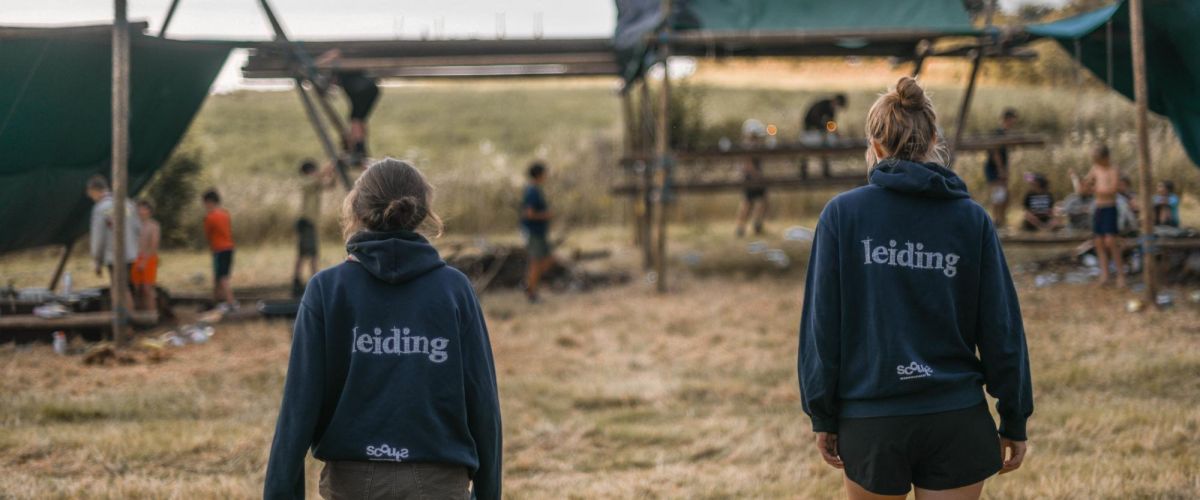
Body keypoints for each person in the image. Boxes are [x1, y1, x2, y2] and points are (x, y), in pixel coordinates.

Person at [798, 77, 1032, 500]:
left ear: (875, 144)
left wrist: (823, 415)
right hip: (955, 416)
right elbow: (1001, 328)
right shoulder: (971, 220)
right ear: (934, 140)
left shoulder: (841, 216)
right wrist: (1014, 416)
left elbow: (822, 326)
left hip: (871, 418)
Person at [265, 158, 502, 500]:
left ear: (356, 210)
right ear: (424, 213)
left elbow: (297, 410)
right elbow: (484, 405)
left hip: (353, 484)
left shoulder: (327, 290)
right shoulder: (454, 290)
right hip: (439, 483)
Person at [316, 49, 381, 166]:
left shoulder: (340, 67)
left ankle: (359, 149)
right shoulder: (345, 69)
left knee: (355, 119)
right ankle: (360, 147)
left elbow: (336, 52)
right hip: (371, 89)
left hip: (361, 91)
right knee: (359, 120)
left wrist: (316, 64)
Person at [85, 175, 139, 307]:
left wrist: (96, 260)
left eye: (90, 193)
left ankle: (123, 324)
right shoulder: (128, 203)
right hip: (131, 254)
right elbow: (138, 228)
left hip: (113, 255)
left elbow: (98, 237)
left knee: (118, 290)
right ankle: (129, 321)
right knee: (126, 287)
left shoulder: (100, 208)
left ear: (93, 190)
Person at [294, 159, 336, 297]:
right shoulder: (306, 182)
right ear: (309, 172)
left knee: (305, 253)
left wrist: (332, 172)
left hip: (309, 223)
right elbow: (319, 178)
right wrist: (330, 166)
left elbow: (330, 185)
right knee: (312, 253)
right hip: (306, 222)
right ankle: (313, 281)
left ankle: (298, 280)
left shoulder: (314, 183)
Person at [1085, 144, 1124, 287]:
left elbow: (1113, 189)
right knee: (1099, 242)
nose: (1097, 162)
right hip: (1099, 208)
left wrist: (1096, 189)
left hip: (1110, 208)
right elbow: (1087, 185)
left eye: (1099, 160)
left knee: (1111, 242)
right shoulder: (1095, 169)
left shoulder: (1113, 169)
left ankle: (1120, 275)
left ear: (1106, 158)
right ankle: (1105, 274)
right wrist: (1084, 184)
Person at [520, 162, 555, 303]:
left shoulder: (534, 189)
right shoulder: (532, 191)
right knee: (536, 263)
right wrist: (546, 215)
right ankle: (531, 293)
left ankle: (529, 285)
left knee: (546, 260)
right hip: (533, 233)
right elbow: (529, 214)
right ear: (539, 174)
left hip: (539, 233)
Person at [202, 189, 237, 310]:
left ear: (210, 202)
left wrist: (212, 249)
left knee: (222, 277)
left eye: (205, 203)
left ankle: (231, 302)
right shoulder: (225, 214)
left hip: (219, 249)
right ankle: (216, 301)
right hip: (229, 247)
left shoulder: (209, 217)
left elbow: (208, 235)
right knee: (218, 277)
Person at [985, 109, 1018, 230]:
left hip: (1002, 167)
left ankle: (1001, 221)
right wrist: (1001, 169)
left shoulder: (1006, 133)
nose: (1013, 123)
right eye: (1011, 120)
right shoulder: (998, 133)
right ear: (1006, 119)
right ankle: (996, 221)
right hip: (994, 168)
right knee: (998, 195)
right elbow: (995, 153)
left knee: (1004, 196)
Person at [801, 94, 847, 177]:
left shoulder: (831, 110)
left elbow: (831, 124)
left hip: (819, 134)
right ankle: (804, 172)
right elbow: (815, 120)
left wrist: (837, 133)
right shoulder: (821, 106)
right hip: (810, 132)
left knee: (825, 148)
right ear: (836, 102)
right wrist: (825, 130)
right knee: (809, 151)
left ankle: (826, 171)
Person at [736, 119, 769, 237]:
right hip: (751, 177)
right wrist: (757, 176)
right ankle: (743, 227)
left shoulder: (750, 144)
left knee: (759, 201)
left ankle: (753, 225)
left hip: (752, 176)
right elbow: (748, 163)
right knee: (749, 202)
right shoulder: (749, 146)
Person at [132, 199, 160, 312]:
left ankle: (151, 315)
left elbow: (154, 245)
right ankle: (140, 316)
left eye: (144, 209)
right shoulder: (133, 225)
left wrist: (145, 261)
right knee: (136, 288)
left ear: (149, 211)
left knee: (147, 289)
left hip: (149, 258)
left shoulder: (154, 226)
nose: (141, 211)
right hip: (134, 258)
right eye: (139, 208)